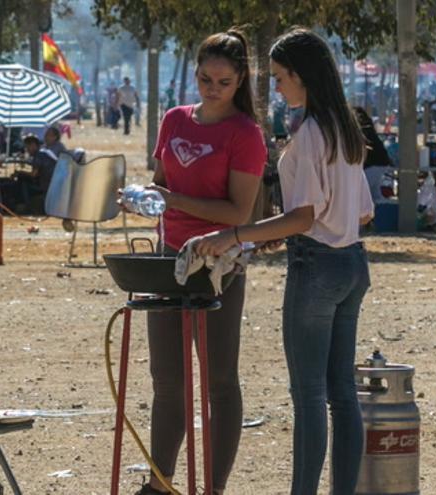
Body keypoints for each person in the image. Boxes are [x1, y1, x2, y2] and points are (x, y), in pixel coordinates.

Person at [197, 27, 373, 495]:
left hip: (316, 268)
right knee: (342, 395)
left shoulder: (312, 132)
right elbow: (362, 210)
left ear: (300, 75)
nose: (276, 87)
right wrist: (273, 234)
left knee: (310, 396)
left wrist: (235, 234)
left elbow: (302, 216)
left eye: (279, 78)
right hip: (353, 263)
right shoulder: (346, 128)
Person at [134, 29, 266, 495]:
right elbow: (160, 185)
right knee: (167, 381)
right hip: (169, 259)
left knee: (219, 380)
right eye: (206, 78)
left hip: (219, 263)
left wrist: (174, 200)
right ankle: (159, 483)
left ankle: (213, 488)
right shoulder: (174, 120)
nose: (212, 88)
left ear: (240, 81)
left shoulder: (245, 134)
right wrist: (145, 198)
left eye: (223, 82)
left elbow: (238, 213)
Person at [353, 107, 394, 204]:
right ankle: (382, 215)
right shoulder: (369, 129)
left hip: (373, 165)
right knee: (375, 196)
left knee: (361, 195)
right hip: (381, 163)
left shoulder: (359, 129)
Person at [14, 134, 57, 211]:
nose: (26, 149)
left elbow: (34, 174)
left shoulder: (38, 156)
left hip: (46, 185)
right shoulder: (45, 152)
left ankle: (24, 205)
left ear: (34, 145)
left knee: (22, 180)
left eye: (27, 147)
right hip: (54, 183)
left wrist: (20, 172)